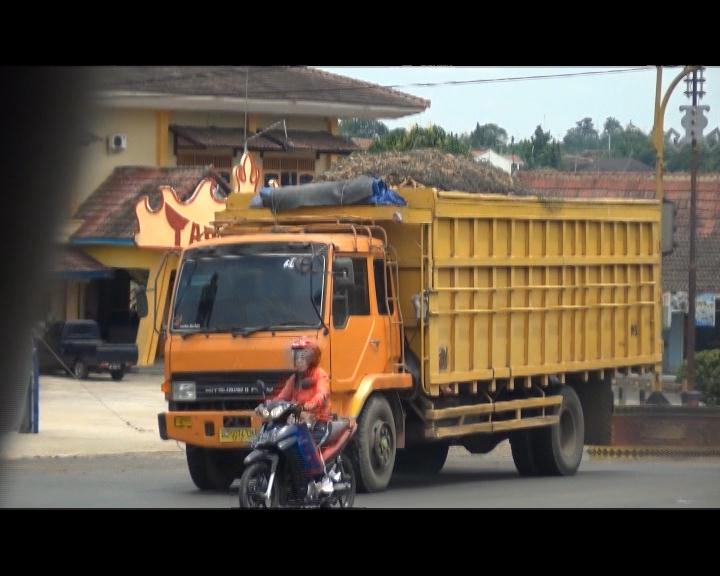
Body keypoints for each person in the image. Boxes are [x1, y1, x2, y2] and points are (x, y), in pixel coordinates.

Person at [272, 337, 333, 493]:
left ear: (311, 358)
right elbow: (282, 397)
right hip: (300, 422)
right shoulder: (295, 378)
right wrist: (270, 405)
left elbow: (322, 393)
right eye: (296, 356)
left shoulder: (320, 375)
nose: (298, 360)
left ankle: (323, 479)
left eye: (302, 356)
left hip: (319, 421)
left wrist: (311, 404)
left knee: (309, 444)